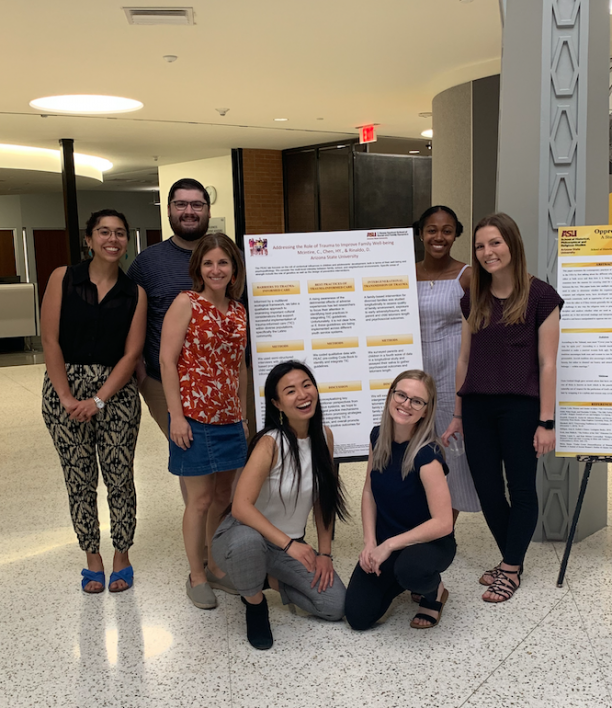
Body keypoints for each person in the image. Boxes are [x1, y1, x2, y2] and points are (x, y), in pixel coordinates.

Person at [442, 212, 562, 603]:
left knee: (521, 488)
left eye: (495, 243)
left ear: (512, 244)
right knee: (488, 490)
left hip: (521, 408)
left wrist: (547, 421)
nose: (487, 252)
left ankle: (510, 567)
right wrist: (458, 413)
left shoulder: (541, 296)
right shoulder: (472, 297)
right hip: (476, 407)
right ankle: (513, 558)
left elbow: (547, 363)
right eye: (480, 246)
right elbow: (463, 360)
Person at [41, 209, 147, 593]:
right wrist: (67, 397)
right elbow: (49, 339)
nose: (112, 239)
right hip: (62, 389)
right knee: (79, 479)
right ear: (89, 239)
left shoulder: (134, 292)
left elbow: (132, 354)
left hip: (115, 394)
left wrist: (99, 400)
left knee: (120, 477)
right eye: (104, 232)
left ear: (127, 240)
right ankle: (92, 556)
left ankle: (122, 553)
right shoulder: (63, 278)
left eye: (120, 233)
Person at [211, 361, 349, 650]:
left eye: (306, 385)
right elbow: (241, 507)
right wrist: (289, 545)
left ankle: (265, 578)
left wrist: (325, 553)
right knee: (249, 543)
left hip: (287, 545)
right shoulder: (269, 444)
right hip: (243, 535)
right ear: (277, 404)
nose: (302, 395)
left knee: (334, 605)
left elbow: (324, 502)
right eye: (290, 391)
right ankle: (254, 603)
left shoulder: (325, 437)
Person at [128, 178, 220, 569]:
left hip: (220, 380)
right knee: (195, 461)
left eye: (196, 205)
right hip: (166, 382)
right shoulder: (148, 263)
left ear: (207, 211)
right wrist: (135, 368)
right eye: (181, 205)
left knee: (224, 463)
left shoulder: (222, 253)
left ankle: (220, 543)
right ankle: (201, 557)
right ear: (168, 210)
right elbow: (128, 317)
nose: (189, 212)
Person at [160, 233, 248, 610]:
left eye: (223, 263)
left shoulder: (239, 310)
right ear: (198, 268)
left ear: (233, 270)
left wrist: (243, 415)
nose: (216, 270)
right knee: (198, 500)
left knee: (224, 498)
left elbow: (239, 366)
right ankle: (196, 575)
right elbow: (167, 361)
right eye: (209, 263)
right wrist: (176, 417)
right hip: (194, 417)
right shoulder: (186, 303)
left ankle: (214, 565)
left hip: (230, 418)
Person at [344, 370, 455, 631]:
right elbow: (369, 491)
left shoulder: (427, 455)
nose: (406, 404)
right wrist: (371, 542)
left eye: (417, 401)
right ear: (390, 396)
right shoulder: (377, 436)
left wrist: (389, 546)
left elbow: (444, 523)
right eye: (401, 395)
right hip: (388, 542)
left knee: (411, 569)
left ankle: (433, 591)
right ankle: (401, 578)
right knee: (358, 617)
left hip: (428, 544)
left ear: (426, 411)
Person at [415, 205, 480, 520]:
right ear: (421, 233)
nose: (438, 237)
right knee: (412, 443)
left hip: (451, 370)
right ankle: (416, 516)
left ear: (456, 235)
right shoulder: (404, 273)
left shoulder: (467, 275)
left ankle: (444, 523)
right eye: (432, 229)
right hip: (413, 370)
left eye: (447, 230)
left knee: (449, 444)